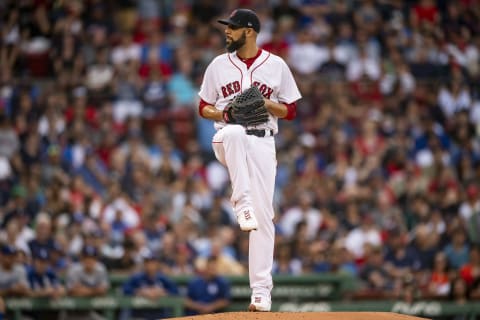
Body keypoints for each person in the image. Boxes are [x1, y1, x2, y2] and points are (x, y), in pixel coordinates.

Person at [198, 8, 301, 311]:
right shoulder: (218, 65)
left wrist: (265, 102)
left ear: (250, 31)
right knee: (233, 133)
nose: (227, 32)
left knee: (264, 218)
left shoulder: (276, 65)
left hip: (262, 143)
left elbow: (291, 111)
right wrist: (224, 113)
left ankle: (261, 293)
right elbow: (203, 106)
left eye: (233, 28)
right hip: (226, 138)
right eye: (227, 28)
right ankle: (241, 203)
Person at [121, 251, 178, 320]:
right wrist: (141, 292)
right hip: (140, 315)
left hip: (160, 315)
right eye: (148, 262)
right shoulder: (137, 277)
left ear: (157, 264)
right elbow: (125, 289)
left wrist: (163, 293)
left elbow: (175, 291)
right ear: (144, 264)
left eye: (152, 262)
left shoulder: (162, 278)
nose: (150, 265)